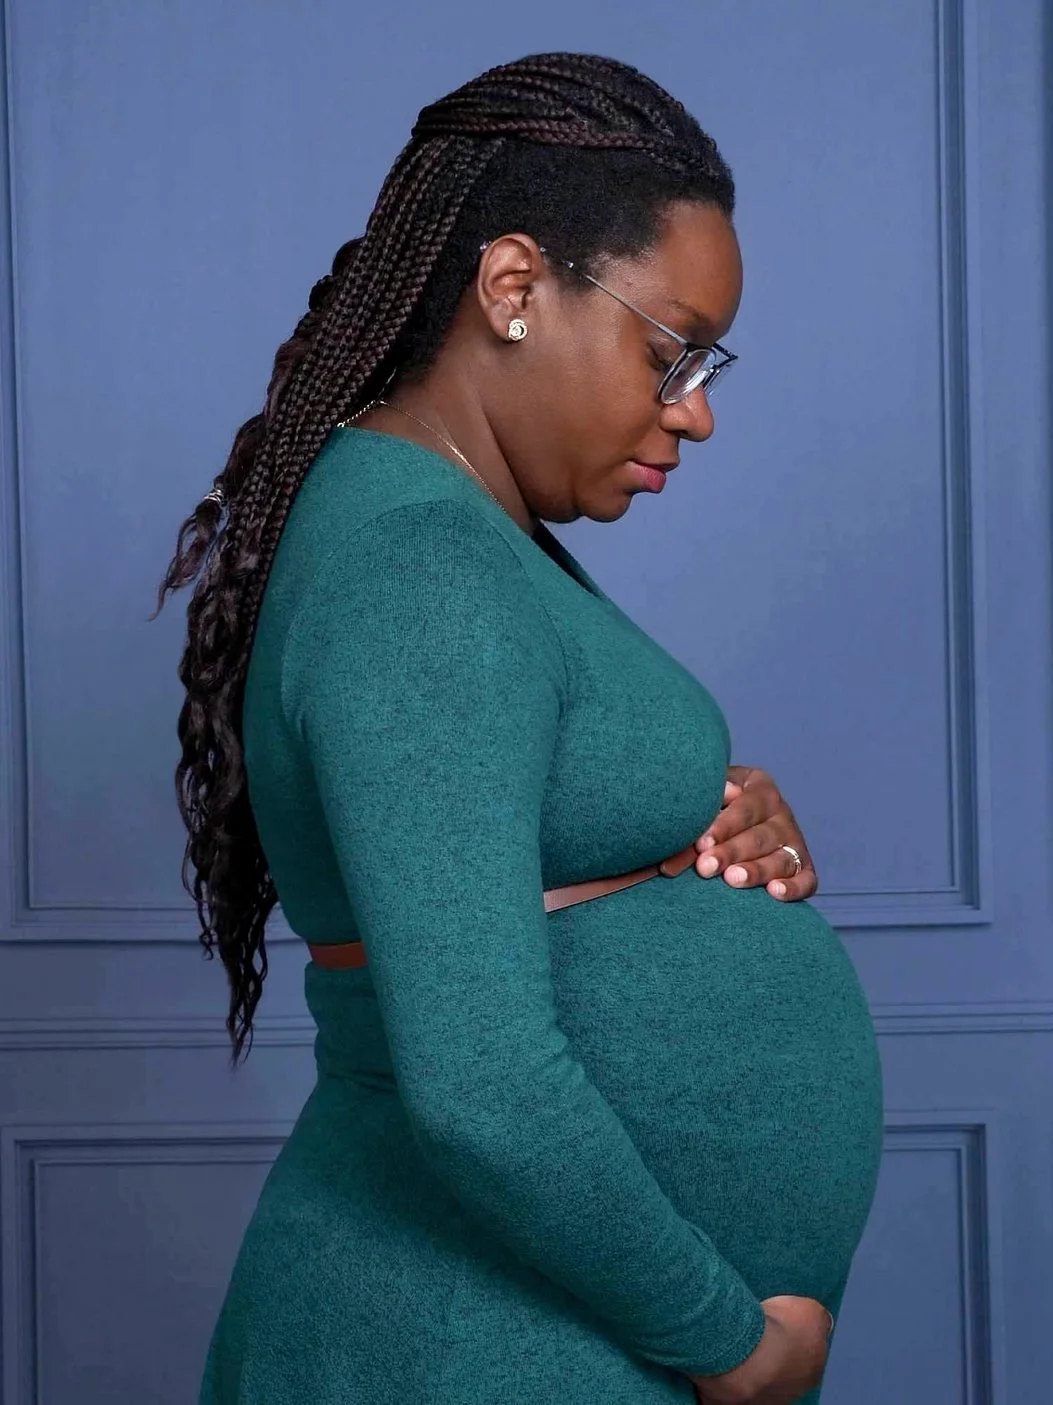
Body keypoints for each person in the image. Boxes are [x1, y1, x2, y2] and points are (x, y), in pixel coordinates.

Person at [156, 51, 884, 1405]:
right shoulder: (419, 565)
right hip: (472, 1340)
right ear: (511, 288)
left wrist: (703, 830)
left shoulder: (457, 537)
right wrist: (729, 1346)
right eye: (672, 350)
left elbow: (518, 839)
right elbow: (480, 1085)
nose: (698, 410)